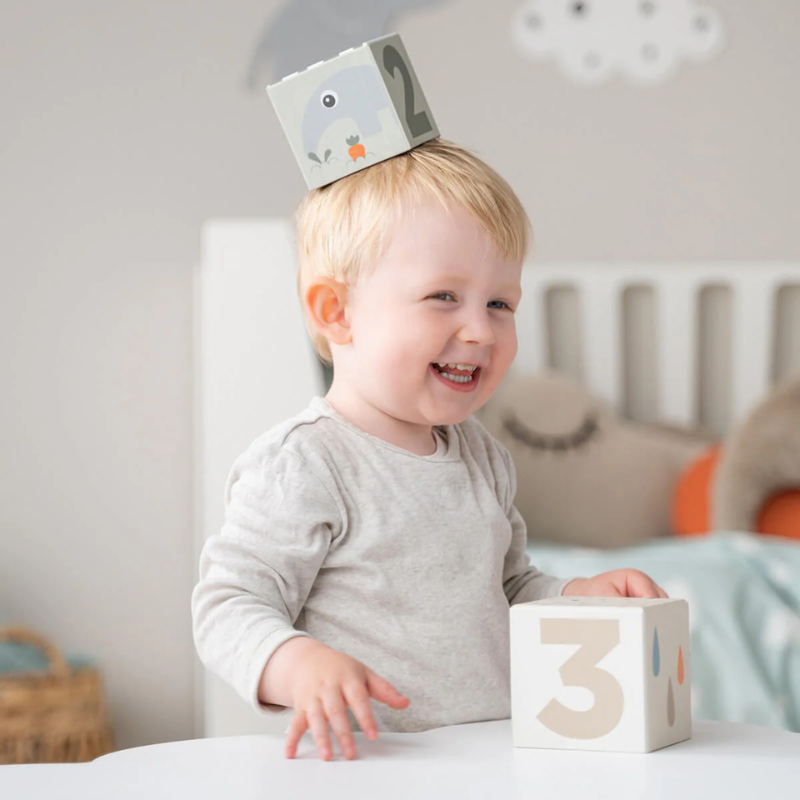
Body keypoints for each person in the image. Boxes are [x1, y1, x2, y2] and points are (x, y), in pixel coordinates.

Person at [191, 138, 667, 762]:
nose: (479, 329)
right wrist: (296, 662)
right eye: (444, 296)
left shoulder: (482, 456)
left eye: (501, 303)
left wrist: (575, 595)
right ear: (337, 312)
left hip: (491, 753)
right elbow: (228, 606)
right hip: (367, 764)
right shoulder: (305, 462)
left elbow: (509, 587)